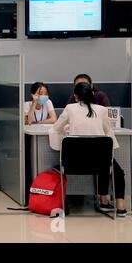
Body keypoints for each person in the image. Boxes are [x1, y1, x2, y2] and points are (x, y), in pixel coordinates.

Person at [50, 82, 127, 217]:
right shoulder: (102, 110)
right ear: (92, 94)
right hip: (99, 163)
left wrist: (67, 130)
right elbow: (109, 134)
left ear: (75, 96)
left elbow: (56, 128)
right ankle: (119, 207)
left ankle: (99, 200)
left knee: (104, 159)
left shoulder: (70, 108)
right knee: (111, 165)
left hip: (74, 164)